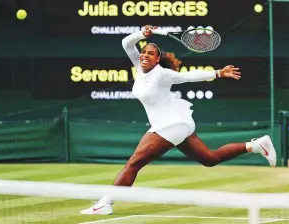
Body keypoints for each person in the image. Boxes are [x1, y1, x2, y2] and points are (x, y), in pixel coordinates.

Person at [80, 25, 276, 215]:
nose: (145, 55)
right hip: (175, 124)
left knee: (134, 163)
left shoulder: (162, 75)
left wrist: (217, 72)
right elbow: (126, 43)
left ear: (158, 60)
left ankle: (105, 203)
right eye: (144, 52)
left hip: (170, 125)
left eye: (150, 53)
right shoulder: (139, 67)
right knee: (210, 159)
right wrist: (142, 33)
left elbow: (190, 77)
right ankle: (256, 145)